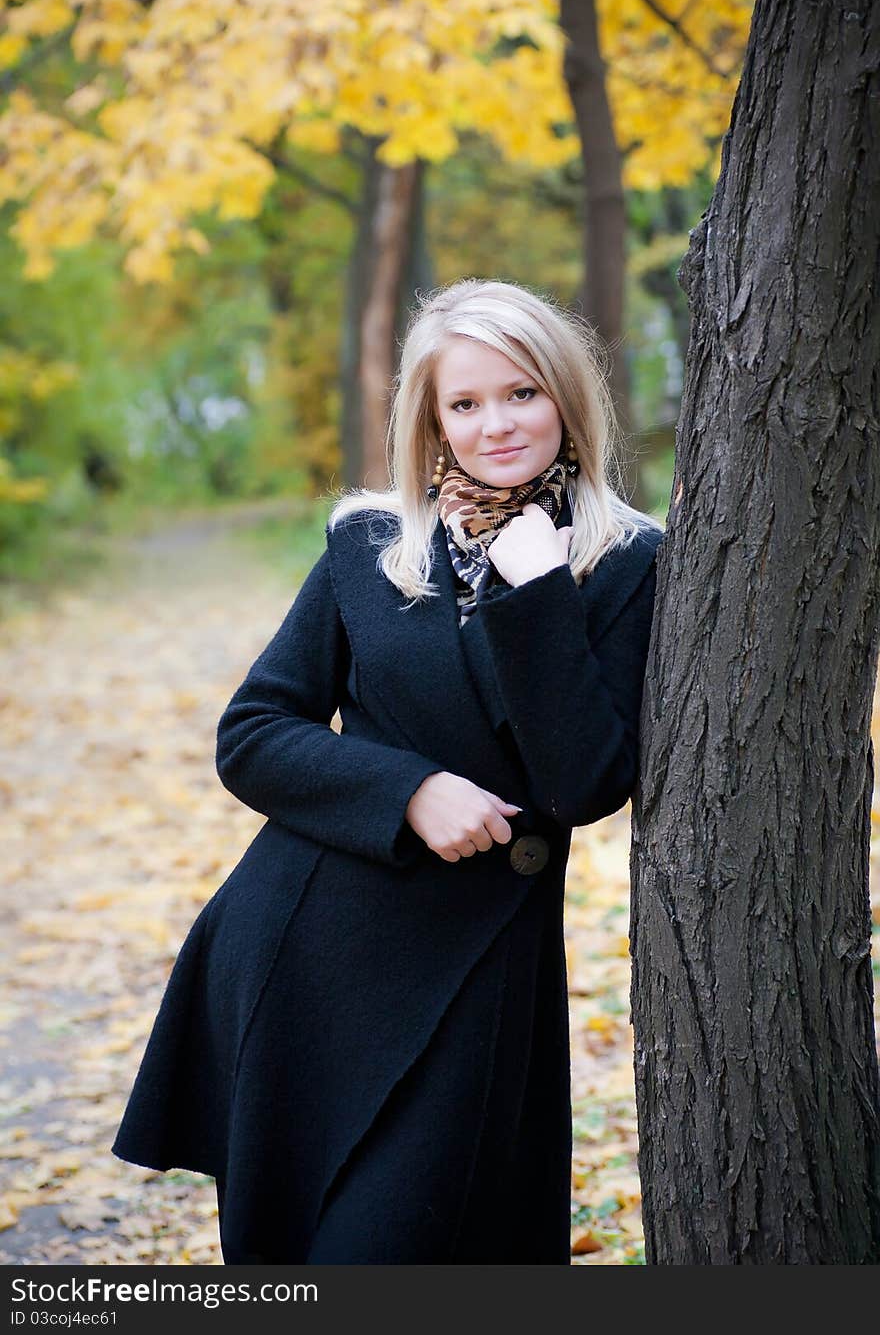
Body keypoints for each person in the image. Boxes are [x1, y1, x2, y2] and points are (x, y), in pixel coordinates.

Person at [111, 277, 665, 1264]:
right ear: (432, 420)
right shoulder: (369, 542)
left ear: (567, 396)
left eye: (522, 392)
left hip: (473, 973)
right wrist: (409, 789)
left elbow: (585, 781)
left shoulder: (627, 560)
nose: (496, 423)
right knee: (283, 1252)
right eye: (465, 403)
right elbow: (254, 731)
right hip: (304, 955)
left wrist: (533, 585)